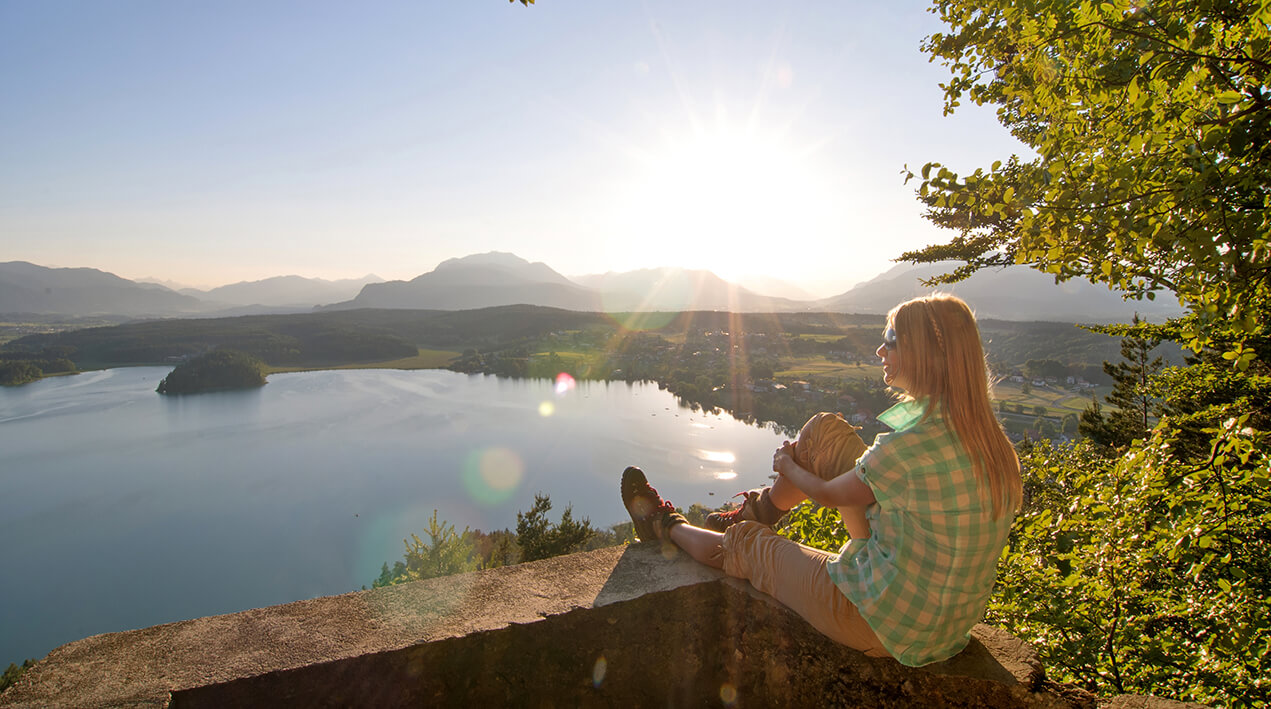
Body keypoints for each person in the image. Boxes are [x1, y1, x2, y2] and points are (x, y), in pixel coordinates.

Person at [620, 293, 1022, 666]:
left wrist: (787, 466)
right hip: (939, 625)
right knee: (824, 433)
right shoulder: (991, 442)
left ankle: (663, 526)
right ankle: (757, 512)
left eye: (890, 339)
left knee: (747, 548)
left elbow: (830, 494)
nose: (881, 350)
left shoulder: (910, 446)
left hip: (879, 622)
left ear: (923, 354)